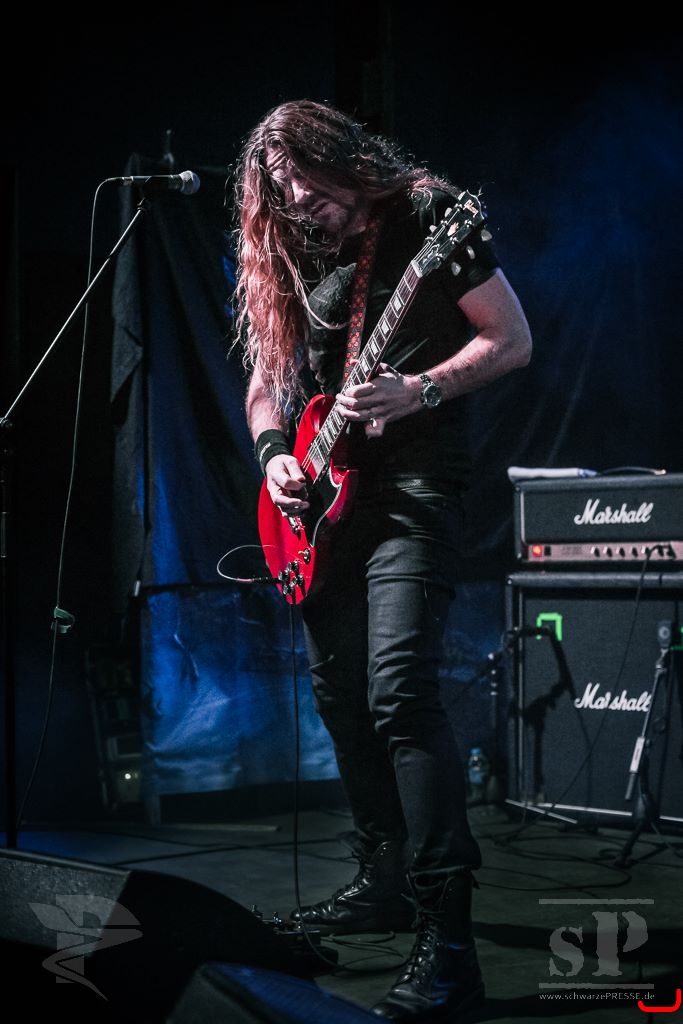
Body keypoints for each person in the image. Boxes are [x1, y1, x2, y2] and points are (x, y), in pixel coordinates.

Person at [231, 99, 532, 1022]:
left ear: (341, 157)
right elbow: (266, 385)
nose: (296, 199)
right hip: (325, 506)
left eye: (305, 179)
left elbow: (511, 340)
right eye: (279, 187)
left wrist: (421, 390)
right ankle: (382, 879)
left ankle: (448, 944)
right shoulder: (291, 248)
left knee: (398, 689)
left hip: (415, 488)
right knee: (340, 694)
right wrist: (276, 455)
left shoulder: (430, 214)